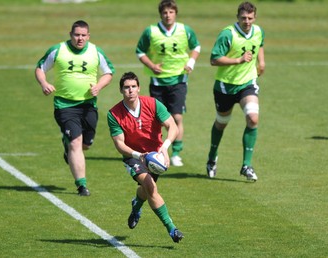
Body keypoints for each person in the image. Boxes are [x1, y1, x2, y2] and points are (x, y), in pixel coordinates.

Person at [35, 20, 115, 196]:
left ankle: (67, 145)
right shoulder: (58, 50)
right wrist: (44, 83)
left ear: (88, 36)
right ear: (71, 35)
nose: (80, 38)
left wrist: (99, 86)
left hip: (88, 106)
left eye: (83, 35)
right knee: (76, 143)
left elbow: (108, 73)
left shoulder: (96, 51)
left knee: (85, 145)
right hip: (65, 105)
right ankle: (82, 185)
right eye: (76, 35)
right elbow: (40, 68)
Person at [107, 72, 184, 243]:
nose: (130, 91)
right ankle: (172, 229)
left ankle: (137, 206)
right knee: (150, 185)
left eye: (133, 87)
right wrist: (137, 155)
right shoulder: (114, 114)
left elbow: (172, 126)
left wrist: (164, 148)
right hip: (132, 156)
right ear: (121, 90)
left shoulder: (153, 104)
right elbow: (119, 144)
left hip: (155, 155)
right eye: (126, 87)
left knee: (147, 188)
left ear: (139, 88)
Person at [136, 0, 201, 167]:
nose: (168, 15)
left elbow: (196, 47)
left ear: (175, 13)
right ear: (161, 14)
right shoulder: (151, 31)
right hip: (158, 82)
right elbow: (140, 51)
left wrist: (191, 62)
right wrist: (152, 66)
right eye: (165, 12)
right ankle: (157, 150)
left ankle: (176, 152)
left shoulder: (185, 30)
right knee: (157, 119)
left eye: (171, 12)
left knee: (177, 116)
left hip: (179, 79)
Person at [206, 1, 265, 181]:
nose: (247, 21)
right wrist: (238, 61)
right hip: (225, 86)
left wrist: (261, 62)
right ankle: (212, 158)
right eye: (243, 18)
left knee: (253, 118)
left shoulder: (258, 31)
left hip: (247, 83)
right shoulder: (228, 34)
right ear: (237, 17)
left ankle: (246, 165)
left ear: (254, 18)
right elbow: (214, 59)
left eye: (250, 18)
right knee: (222, 122)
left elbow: (259, 44)